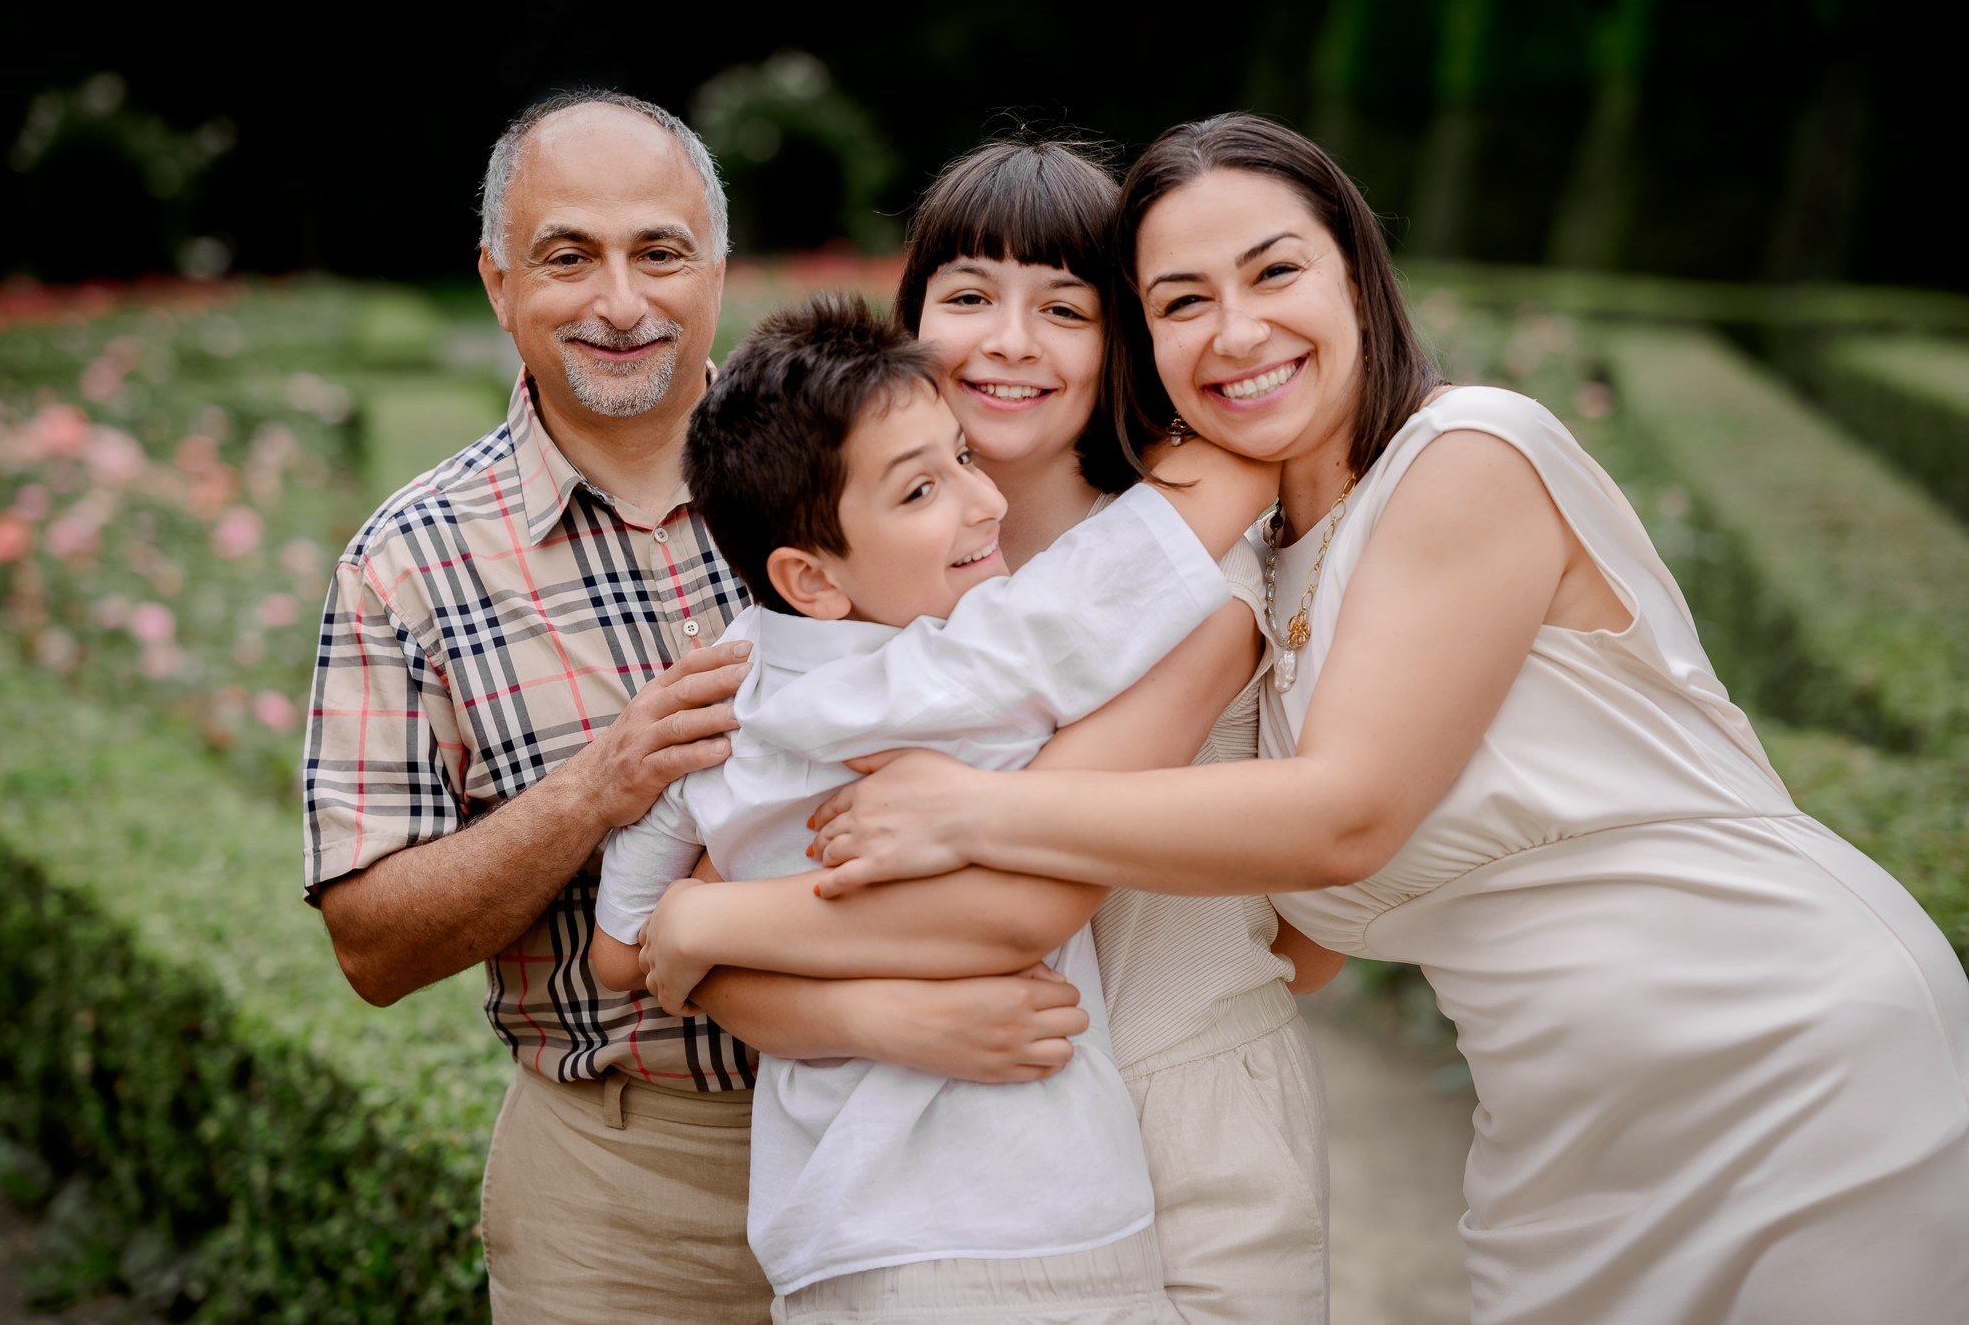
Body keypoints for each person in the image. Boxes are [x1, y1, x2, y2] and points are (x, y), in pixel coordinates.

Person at [799, 114, 1969, 1325]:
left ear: (1355, 271)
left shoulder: (1467, 453)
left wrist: (971, 805)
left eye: (1274, 271)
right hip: (1559, 1122)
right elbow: (1294, 933)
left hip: (1780, 1044)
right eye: (1181, 300)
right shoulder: (1270, 562)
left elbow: (1343, 817)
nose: (1237, 330)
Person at [303, 90, 1068, 1325]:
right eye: (568, 257)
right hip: (628, 1187)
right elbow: (371, 944)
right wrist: (597, 791)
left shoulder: (883, 462)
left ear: (718, 268)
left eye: (659, 251)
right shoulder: (407, 567)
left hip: (937, 1135)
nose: (620, 300)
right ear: (498, 283)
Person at [634, 138, 1334, 1323]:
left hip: (1191, 1125)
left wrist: (695, 917)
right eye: (966, 297)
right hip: (970, 1154)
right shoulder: (868, 604)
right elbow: (703, 967)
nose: (1009, 341)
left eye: (1064, 306)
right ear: (909, 330)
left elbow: (1013, 904)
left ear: (1119, 338)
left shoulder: (1185, 591)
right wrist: (869, 1009)